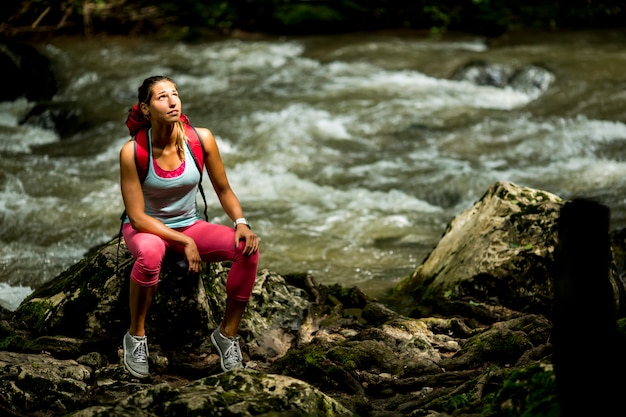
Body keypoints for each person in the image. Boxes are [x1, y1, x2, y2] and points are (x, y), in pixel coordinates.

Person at [119, 75, 259, 378]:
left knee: (246, 250)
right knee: (150, 255)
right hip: (146, 230)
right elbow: (138, 216)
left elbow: (223, 190)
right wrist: (184, 243)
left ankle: (226, 336)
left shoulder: (200, 139)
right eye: (161, 97)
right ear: (145, 108)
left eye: (175, 94)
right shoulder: (132, 152)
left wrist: (241, 223)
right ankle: (136, 336)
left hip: (190, 224)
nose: (172, 102)